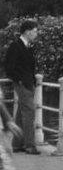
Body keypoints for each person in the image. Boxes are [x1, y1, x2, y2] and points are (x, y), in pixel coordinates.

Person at [4, 19, 39, 154]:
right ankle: (30, 146)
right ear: (27, 32)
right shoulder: (15, 46)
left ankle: (17, 144)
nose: (36, 34)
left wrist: (32, 81)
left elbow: (28, 67)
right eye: (35, 31)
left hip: (28, 84)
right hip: (22, 84)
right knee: (29, 112)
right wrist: (19, 81)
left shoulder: (28, 46)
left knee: (21, 113)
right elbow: (9, 67)